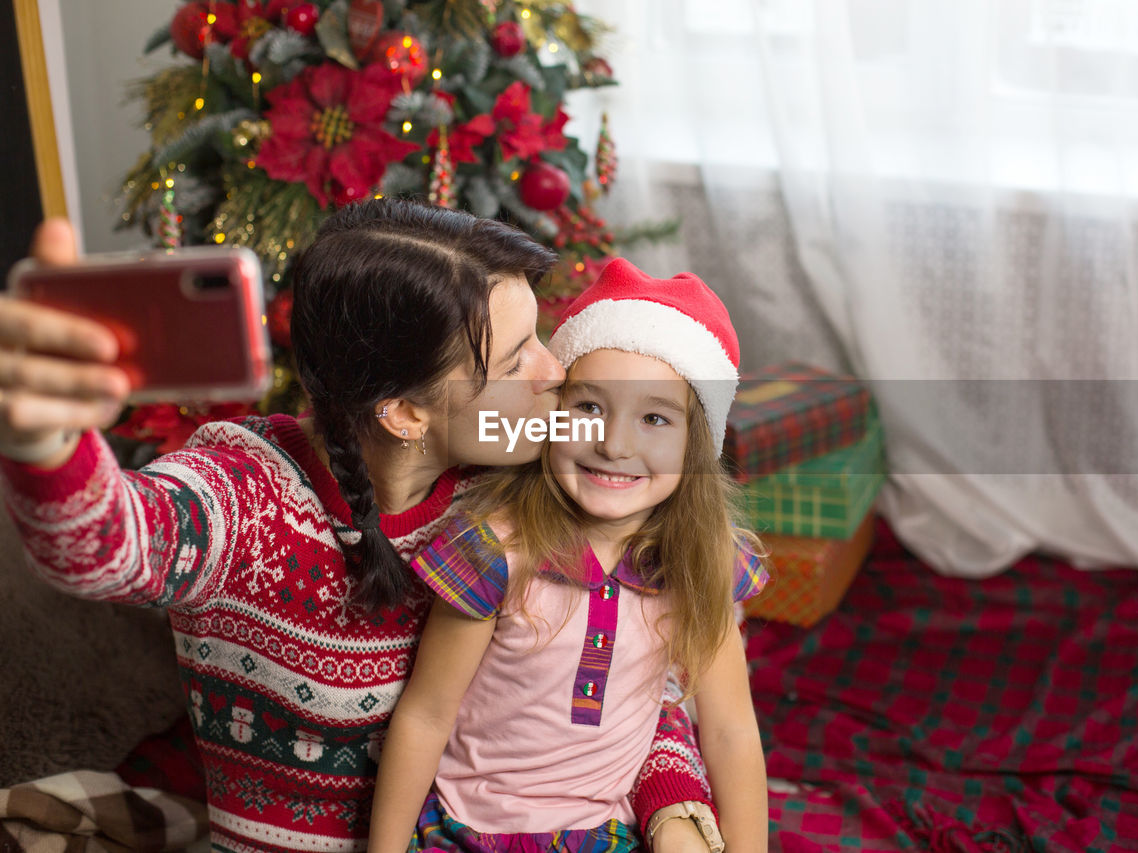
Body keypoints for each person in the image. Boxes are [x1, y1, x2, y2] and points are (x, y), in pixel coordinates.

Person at [0, 200, 723, 852]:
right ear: (405, 413)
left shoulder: (527, 491)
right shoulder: (245, 494)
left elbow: (626, 679)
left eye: (541, 336)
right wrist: (44, 444)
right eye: (515, 358)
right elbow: (112, 544)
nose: (554, 371)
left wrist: (675, 810)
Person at [368, 258, 770, 853]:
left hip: (602, 836)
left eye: (655, 418)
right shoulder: (494, 550)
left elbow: (731, 730)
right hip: (467, 831)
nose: (613, 443)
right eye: (589, 408)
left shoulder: (698, 563)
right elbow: (426, 715)